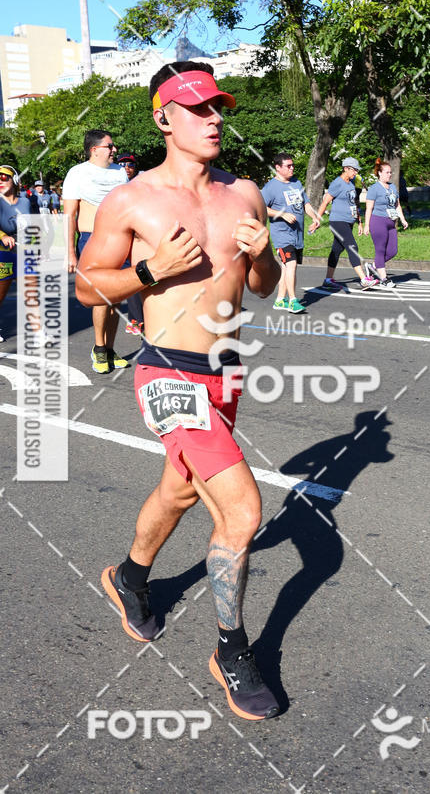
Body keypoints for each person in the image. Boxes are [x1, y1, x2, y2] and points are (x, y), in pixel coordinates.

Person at [75, 60, 281, 721]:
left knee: (182, 488)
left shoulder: (244, 192)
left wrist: (265, 253)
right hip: (165, 368)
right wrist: (147, 269)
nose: (216, 117)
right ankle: (232, 649)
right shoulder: (132, 200)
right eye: (199, 108)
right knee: (243, 512)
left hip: (226, 372)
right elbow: (86, 287)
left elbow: (263, 287)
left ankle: (130, 578)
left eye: (219, 106)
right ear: (164, 118)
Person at [62, 130, 130, 373]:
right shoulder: (77, 173)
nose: (114, 150)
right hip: (93, 239)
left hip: (122, 240)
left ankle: (110, 349)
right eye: (109, 146)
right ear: (94, 149)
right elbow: (69, 215)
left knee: (117, 297)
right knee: (102, 297)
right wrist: (70, 252)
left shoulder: (120, 172)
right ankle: (99, 349)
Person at [262, 152, 320, 313]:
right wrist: (282, 214)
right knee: (291, 264)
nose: (292, 168)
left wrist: (314, 218)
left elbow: (306, 204)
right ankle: (293, 301)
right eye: (288, 166)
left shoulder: (296, 183)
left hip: (297, 235)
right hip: (282, 235)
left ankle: (280, 300)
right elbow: (261, 207)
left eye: (292, 165)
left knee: (287, 268)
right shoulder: (271, 187)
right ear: (278, 168)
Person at [316, 157, 378, 290]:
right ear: (346, 168)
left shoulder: (350, 184)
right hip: (338, 221)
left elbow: (354, 204)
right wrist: (317, 219)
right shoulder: (337, 183)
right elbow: (325, 202)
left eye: (356, 170)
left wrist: (359, 222)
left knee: (336, 250)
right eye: (354, 170)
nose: (356, 172)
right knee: (352, 246)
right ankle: (363, 280)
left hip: (348, 221)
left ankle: (328, 279)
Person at [363, 159, 408, 287]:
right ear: (380, 173)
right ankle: (384, 279)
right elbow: (369, 208)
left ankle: (372, 266)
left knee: (393, 250)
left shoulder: (393, 187)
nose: (390, 174)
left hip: (391, 222)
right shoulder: (374, 188)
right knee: (380, 250)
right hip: (378, 221)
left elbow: (397, 205)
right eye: (387, 172)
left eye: (390, 172)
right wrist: (367, 225)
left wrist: (403, 219)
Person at [0, 165, 31, 343]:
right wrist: (3, 236)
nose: (1, 181)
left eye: (5, 178)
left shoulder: (25, 201)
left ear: (15, 181)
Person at [116, 153, 145, 334]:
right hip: (117, 235)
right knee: (127, 277)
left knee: (139, 275)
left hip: (137, 235)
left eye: (130, 165)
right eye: (122, 164)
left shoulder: (142, 185)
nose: (127, 167)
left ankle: (140, 319)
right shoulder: (110, 186)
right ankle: (136, 319)